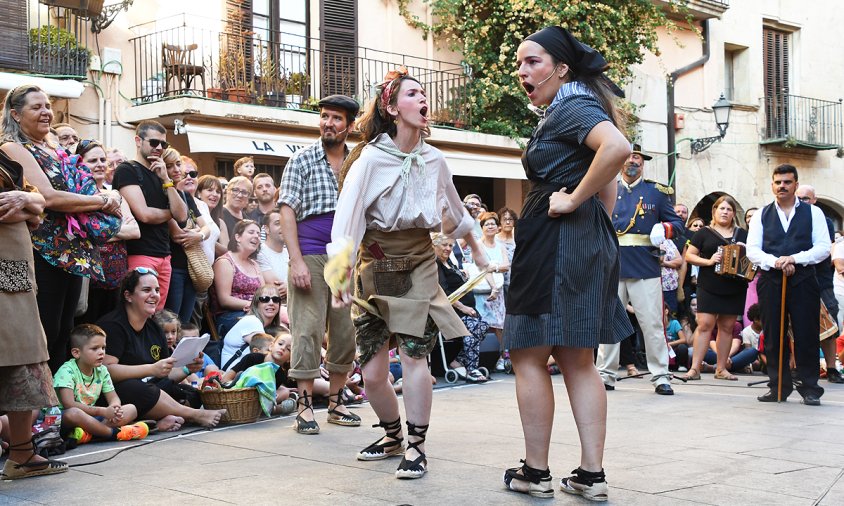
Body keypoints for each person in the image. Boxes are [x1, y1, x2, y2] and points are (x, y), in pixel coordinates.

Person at [328, 69, 490, 479]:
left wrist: (480, 254)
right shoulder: (370, 158)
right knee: (373, 371)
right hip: (373, 267)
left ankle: (416, 447)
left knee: (416, 357)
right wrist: (339, 278)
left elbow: (455, 212)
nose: (423, 99)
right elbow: (347, 218)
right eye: (412, 93)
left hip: (419, 264)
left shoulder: (435, 158)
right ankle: (392, 434)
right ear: (391, 107)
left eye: (423, 93)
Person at [502, 27, 632, 499]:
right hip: (578, 239)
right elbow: (610, 182)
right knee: (578, 358)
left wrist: (572, 200)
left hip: (557, 238)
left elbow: (617, 150)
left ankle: (536, 472)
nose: (522, 71)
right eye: (520, 63)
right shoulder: (572, 105)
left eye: (531, 62)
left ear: (560, 68)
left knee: (528, 351)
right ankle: (591, 475)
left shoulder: (572, 106)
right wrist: (590, 210)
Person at [1, 85, 123, 372]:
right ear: (16, 115)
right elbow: (50, 197)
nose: (46, 112)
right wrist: (102, 201)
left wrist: (103, 198)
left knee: (65, 329)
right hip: (41, 252)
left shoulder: (55, 149)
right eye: (36, 107)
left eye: (47, 105)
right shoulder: (13, 147)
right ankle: (38, 404)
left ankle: (56, 403)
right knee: (45, 328)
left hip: (73, 253)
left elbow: (77, 188)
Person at [279, 94, 362, 435]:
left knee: (344, 330)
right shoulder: (301, 159)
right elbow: (286, 210)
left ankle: (337, 402)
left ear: (349, 125)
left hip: (344, 255)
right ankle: (304, 406)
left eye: (337, 118)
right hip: (310, 251)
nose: (329, 123)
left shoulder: (358, 161)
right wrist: (295, 260)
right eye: (325, 117)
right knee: (308, 328)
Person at [0, 140, 66, 480]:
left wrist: (29, 203)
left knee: (23, 357)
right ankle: (21, 454)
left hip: (13, 272)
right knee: (14, 356)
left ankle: (22, 454)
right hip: (5, 270)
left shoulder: (4, 157)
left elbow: (39, 202)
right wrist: (30, 207)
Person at [595, 142, 684, 395]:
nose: (633, 161)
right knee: (608, 322)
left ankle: (660, 375)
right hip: (612, 264)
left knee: (652, 324)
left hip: (644, 266)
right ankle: (605, 374)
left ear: (642, 163)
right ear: (620, 160)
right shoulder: (606, 187)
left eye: (638, 158)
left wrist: (664, 229)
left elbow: (677, 222)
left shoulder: (656, 192)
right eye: (629, 157)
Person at [97, 268, 227, 427]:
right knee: (139, 389)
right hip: (114, 393)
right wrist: (151, 369)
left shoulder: (154, 328)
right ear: (128, 296)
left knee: (190, 393)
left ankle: (159, 419)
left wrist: (188, 369)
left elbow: (164, 374)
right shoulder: (113, 326)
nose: (154, 295)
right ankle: (194, 415)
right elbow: (105, 371)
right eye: (146, 290)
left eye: (157, 290)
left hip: (150, 388)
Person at [747, 164, 830, 405]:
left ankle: (810, 388)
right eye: (778, 182)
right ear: (772, 185)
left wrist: (794, 259)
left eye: (787, 182)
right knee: (773, 334)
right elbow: (753, 250)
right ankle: (778, 387)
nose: (782, 186)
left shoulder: (813, 213)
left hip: (804, 279)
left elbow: (823, 247)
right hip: (771, 280)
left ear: (795, 184)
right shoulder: (762, 214)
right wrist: (777, 263)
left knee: (806, 333)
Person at [114, 120, 188, 311]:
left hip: (165, 255)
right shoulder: (127, 170)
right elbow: (145, 214)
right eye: (154, 143)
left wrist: (165, 179)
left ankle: (152, 344)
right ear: (138, 141)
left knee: (156, 315)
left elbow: (181, 216)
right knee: (137, 312)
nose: (159, 148)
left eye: (164, 144)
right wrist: (170, 212)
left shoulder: (161, 174)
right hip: (139, 252)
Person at [682, 196, 749, 381]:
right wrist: (709, 261)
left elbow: (751, 256)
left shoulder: (742, 234)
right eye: (721, 209)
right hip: (709, 284)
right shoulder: (704, 232)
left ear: (734, 213)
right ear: (714, 211)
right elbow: (689, 256)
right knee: (705, 325)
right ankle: (695, 368)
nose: (725, 212)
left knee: (727, 327)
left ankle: (721, 369)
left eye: (729, 209)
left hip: (735, 286)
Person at [76, 140, 141, 323]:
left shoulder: (116, 195)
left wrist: (99, 231)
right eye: (92, 160)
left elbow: (135, 231)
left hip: (117, 279)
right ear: (80, 163)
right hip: (90, 280)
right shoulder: (76, 195)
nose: (100, 164)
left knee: (111, 330)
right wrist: (116, 229)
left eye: (103, 159)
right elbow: (82, 233)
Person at [52, 324, 149, 444]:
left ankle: (88, 434)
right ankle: (114, 434)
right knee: (74, 413)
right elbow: (69, 404)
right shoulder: (67, 371)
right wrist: (102, 411)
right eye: (95, 348)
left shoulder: (102, 370)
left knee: (131, 409)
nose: (101, 352)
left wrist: (115, 409)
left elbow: (113, 397)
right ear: (77, 353)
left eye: (103, 348)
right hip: (63, 418)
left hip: (92, 419)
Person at [795, 184, 844, 383]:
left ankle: (831, 368)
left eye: (806, 198)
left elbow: (822, 249)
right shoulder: (792, 218)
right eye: (800, 198)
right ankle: (800, 367)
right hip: (798, 278)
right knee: (797, 325)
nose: (802, 202)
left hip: (820, 280)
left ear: (814, 200)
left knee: (829, 326)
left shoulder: (822, 220)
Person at [161, 147, 210, 323]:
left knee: (185, 322)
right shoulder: (162, 193)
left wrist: (199, 235)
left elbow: (206, 228)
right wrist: (198, 232)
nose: (176, 169)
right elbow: (177, 235)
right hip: (174, 266)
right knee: (172, 320)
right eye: (169, 166)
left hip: (192, 267)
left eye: (178, 164)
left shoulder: (183, 194)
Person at [433, 232, 490, 383]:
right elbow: (443, 292)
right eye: (444, 245)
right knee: (473, 329)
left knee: (483, 326)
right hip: (451, 311)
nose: (448, 248)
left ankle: (457, 361)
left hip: (465, 309)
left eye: (451, 245)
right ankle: (472, 369)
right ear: (434, 245)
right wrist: (463, 307)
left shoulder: (450, 263)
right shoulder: (435, 264)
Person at [212, 219, 265, 336]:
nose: (256, 236)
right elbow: (224, 300)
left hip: (256, 312)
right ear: (238, 237)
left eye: (258, 234)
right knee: (258, 322)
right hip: (231, 315)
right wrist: (252, 305)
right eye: (251, 232)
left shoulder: (254, 264)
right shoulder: (225, 262)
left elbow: (264, 293)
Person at [473, 211, 509, 367]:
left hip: (498, 290)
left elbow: (506, 266)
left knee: (500, 325)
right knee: (484, 324)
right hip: (483, 291)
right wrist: (493, 269)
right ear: (482, 228)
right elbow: (481, 267)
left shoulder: (500, 246)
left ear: (497, 227)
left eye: (493, 224)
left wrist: (492, 268)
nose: (490, 227)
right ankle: (476, 359)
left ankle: (504, 356)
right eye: (487, 224)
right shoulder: (478, 245)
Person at [220, 285, 283, 370]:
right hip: (234, 377)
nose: (271, 303)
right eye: (265, 299)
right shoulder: (252, 321)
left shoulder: (270, 328)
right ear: (256, 304)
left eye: (275, 300)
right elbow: (266, 350)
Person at [179, 157, 220, 266]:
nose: (189, 178)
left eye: (193, 174)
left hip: (205, 272)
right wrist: (201, 232)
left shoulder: (203, 205)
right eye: (184, 175)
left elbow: (208, 234)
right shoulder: (178, 202)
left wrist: (201, 233)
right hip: (186, 267)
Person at [257, 207, 289, 300]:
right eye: (278, 223)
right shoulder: (260, 251)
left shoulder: (289, 252)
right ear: (266, 229)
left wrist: (288, 287)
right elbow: (276, 288)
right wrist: (290, 287)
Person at [195, 174, 229, 259]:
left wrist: (208, 237)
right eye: (210, 190)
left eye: (218, 192)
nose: (215, 194)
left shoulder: (220, 223)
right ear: (198, 193)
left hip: (210, 270)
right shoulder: (192, 215)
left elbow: (226, 252)